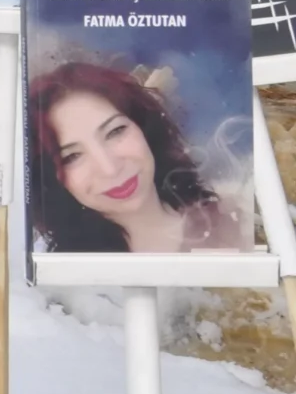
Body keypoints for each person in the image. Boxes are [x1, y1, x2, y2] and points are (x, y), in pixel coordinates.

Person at [30, 62, 248, 254]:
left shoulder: (236, 224)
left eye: (115, 132)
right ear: (51, 179)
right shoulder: (65, 285)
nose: (110, 169)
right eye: (72, 156)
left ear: (144, 127)